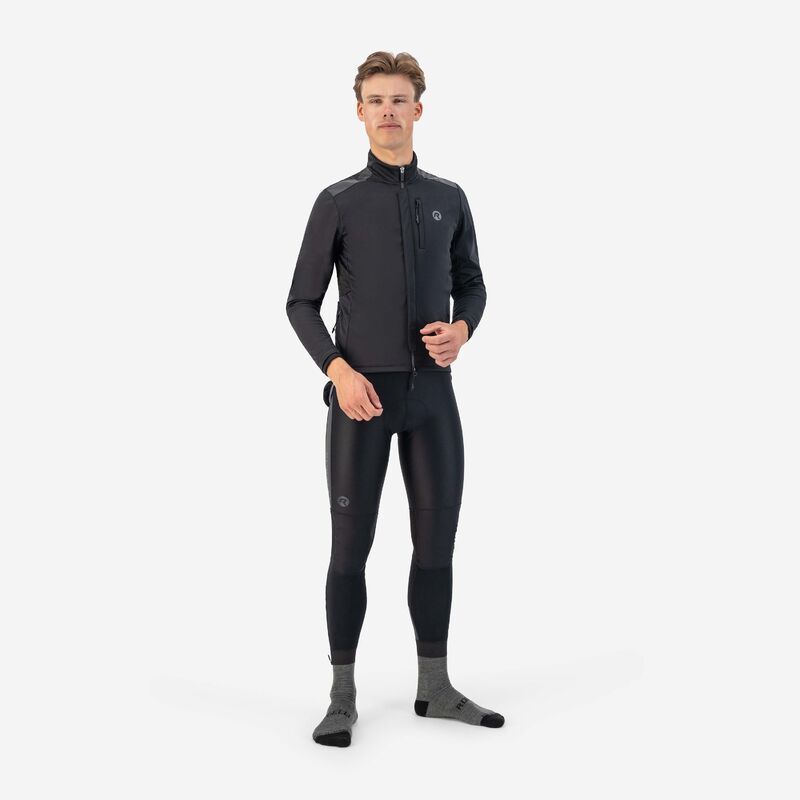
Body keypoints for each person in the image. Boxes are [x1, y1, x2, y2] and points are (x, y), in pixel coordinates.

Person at [286, 51, 504, 747]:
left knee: (436, 546)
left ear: (418, 109)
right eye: (376, 100)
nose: (388, 110)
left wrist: (463, 329)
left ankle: (434, 688)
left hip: (433, 398)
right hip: (362, 402)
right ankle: (341, 697)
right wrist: (338, 369)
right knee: (350, 549)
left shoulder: (450, 197)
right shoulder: (339, 201)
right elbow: (300, 303)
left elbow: (472, 283)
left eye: (399, 99)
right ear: (359, 112)